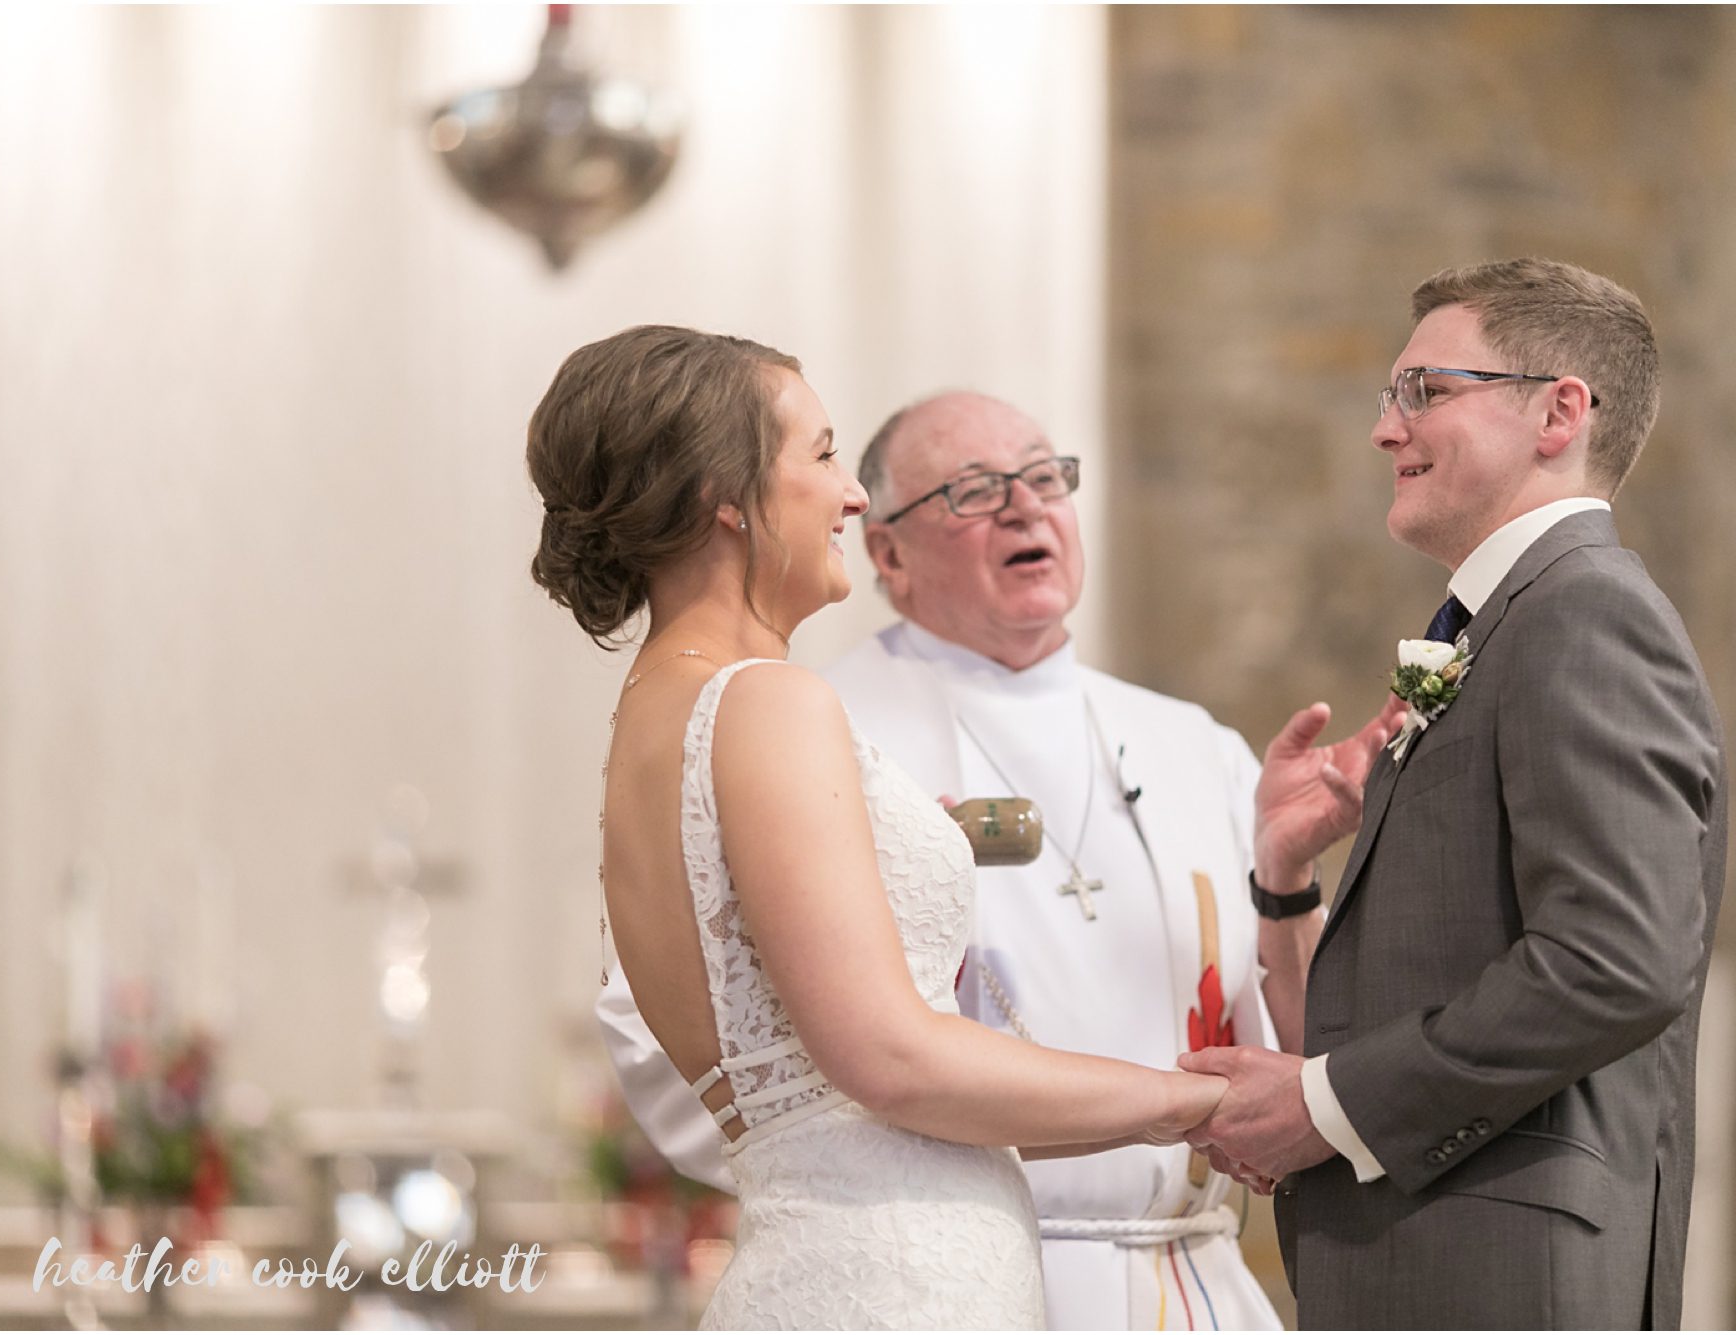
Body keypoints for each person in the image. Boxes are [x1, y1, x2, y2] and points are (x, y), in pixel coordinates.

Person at [597, 387, 1401, 1328]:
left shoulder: (1192, 745)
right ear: (888, 553)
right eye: (975, 490)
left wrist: (1284, 880)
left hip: (1188, 1272)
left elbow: (1307, 1058)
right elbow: (709, 1045)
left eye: (1045, 477)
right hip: (936, 1254)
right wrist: (861, 1179)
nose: (1025, 508)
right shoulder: (809, 723)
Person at [528, 326, 1235, 1330]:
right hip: (898, 1277)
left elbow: (836, 1100)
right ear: (722, 494)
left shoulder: (653, 714)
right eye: (821, 455)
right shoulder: (766, 701)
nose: (853, 496)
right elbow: (890, 1060)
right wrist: (1193, 1100)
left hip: (844, 1251)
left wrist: (1166, 1113)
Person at [1182, 259, 1728, 1330]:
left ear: (1558, 413)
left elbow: (1618, 960)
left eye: (1424, 391)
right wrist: (1286, 879)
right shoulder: (1509, 626)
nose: (1384, 429)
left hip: (1508, 1282)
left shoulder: (1584, 613)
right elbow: (1393, 1005)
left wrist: (1323, 1108)